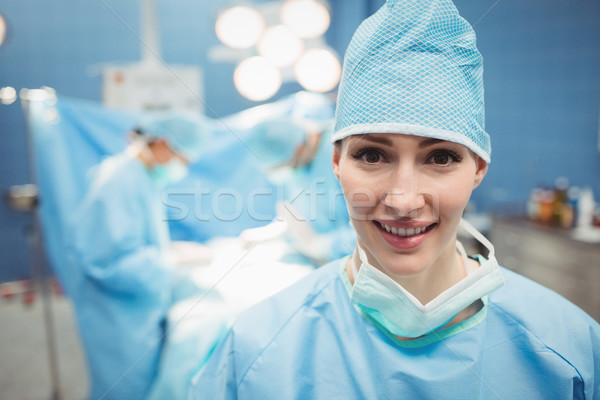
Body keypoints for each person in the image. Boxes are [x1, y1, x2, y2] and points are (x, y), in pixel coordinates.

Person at [188, 0, 600, 399]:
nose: (403, 200)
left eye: (440, 157)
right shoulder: (256, 350)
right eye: (372, 155)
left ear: (478, 168)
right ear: (336, 162)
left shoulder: (570, 356)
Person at [68, 112, 210, 400]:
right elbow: (109, 263)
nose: (183, 166)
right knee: (123, 388)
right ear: (163, 145)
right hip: (118, 316)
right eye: (183, 158)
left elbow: (130, 239)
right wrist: (170, 262)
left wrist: (169, 252)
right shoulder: (120, 180)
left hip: (135, 311)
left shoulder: (141, 176)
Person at [241, 91, 355, 263]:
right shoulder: (297, 168)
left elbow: (378, 232)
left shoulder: (346, 152)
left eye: (279, 166)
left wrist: (326, 245)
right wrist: (280, 230)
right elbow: (304, 214)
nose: (277, 175)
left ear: (298, 149)